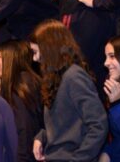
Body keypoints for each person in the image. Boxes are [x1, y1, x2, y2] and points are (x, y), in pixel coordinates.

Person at [30, 20, 108, 161]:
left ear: (49, 49)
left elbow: (98, 125)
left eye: (36, 52)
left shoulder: (73, 76)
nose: (34, 59)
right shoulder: (56, 78)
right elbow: (64, 125)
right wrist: (41, 137)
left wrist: (78, 159)